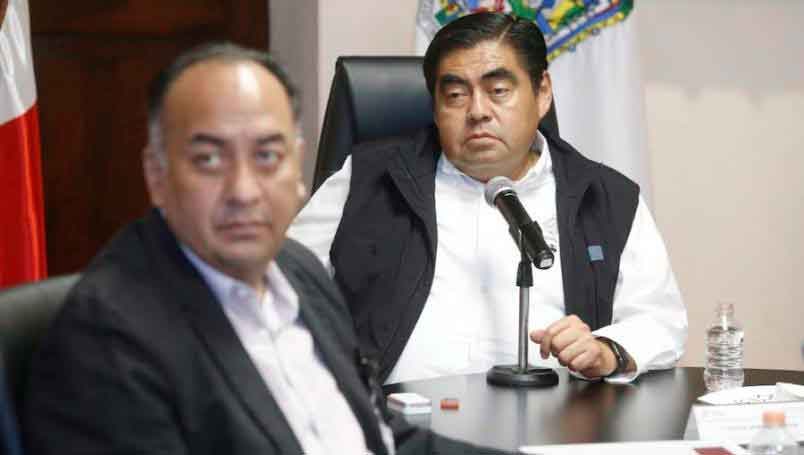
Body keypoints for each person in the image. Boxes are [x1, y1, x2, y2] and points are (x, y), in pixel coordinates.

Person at [24, 42, 505, 455]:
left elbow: (376, 434)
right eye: (208, 159)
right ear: (156, 176)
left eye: (267, 156)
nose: (244, 190)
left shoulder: (297, 271)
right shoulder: (107, 338)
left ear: (297, 168)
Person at [288, 12, 687, 385]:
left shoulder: (605, 196)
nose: (477, 111)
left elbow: (660, 319)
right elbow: (278, 285)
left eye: (498, 91)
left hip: (554, 421)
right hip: (395, 419)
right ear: (435, 107)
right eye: (455, 95)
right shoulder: (367, 178)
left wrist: (607, 350)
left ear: (542, 93)